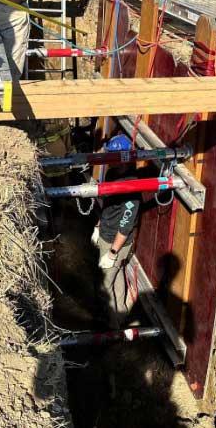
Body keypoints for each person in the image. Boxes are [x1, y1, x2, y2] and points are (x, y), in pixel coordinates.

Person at [91, 134, 141, 330]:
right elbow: (109, 205)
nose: (109, 161)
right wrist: (98, 225)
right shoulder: (113, 174)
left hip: (116, 243)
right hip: (106, 234)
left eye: (112, 156)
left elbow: (126, 225)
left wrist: (112, 253)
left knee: (105, 285)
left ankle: (114, 327)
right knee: (117, 272)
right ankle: (121, 310)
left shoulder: (132, 188)